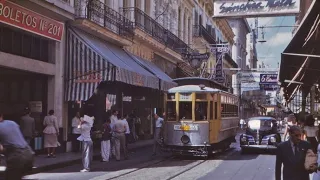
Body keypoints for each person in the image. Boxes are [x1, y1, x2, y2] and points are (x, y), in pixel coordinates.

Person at [0, 111, 34, 180]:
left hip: (17, 157)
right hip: (29, 154)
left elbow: (1, 149)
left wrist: (5, 151)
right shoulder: (12, 123)